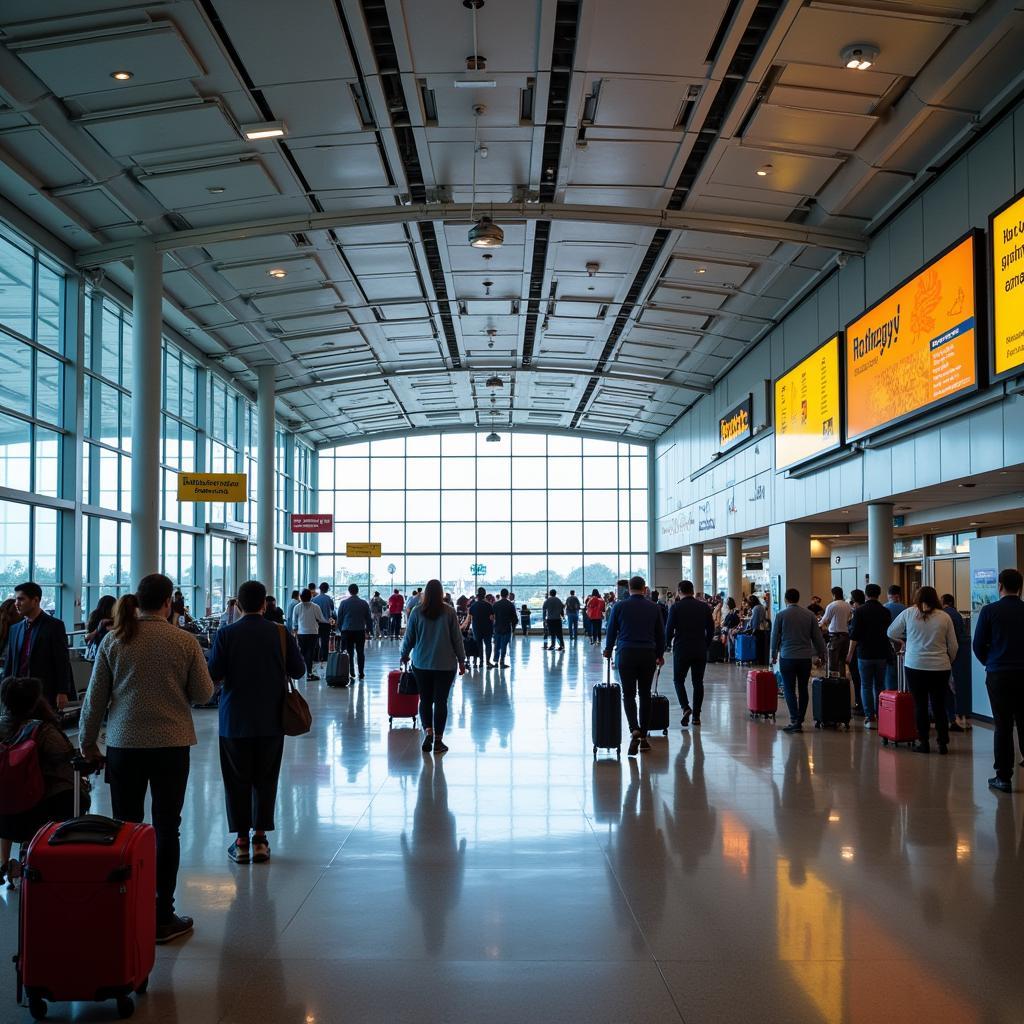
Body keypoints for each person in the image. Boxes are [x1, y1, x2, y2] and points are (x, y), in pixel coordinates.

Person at [79, 573, 214, 944]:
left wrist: (88, 742)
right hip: (171, 746)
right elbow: (203, 694)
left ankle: (128, 906)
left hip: (125, 746)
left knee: (126, 827)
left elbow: (95, 699)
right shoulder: (183, 641)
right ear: (169, 602)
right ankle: (163, 914)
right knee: (167, 828)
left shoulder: (115, 639)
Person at [207, 580, 306, 865]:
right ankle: (260, 839)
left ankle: (240, 842)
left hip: (234, 718)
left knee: (236, 779)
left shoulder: (226, 634)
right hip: (271, 718)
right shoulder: (280, 632)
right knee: (266, 778)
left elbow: (214, 673)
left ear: (237, 605)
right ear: (264, 604)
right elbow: (298, 670)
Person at [0, 675, 90, 886]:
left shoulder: (2, 726)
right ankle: (49, 859)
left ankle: (5, 863)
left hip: (6, 816)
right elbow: (67, 755)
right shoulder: (42, 730)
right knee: (76, 795)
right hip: (36, 810)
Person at [887, 586, 957, 755]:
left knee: (920, 705)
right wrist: (948, 660)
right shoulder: (944, 617)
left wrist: (904, 641)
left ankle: (924, 742)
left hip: (915, 665)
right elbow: (953, 645)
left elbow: (890, 632)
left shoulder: (909, 613)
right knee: (939, 705)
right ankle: (942, 743)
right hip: (940, 666)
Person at [972, 568, 1024, 793]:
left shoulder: (990, 610)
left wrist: (990, 662)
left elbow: (978, 644)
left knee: (1002, 725)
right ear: (1020, 587)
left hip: (999, 673)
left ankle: (1003, 777)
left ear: (1000, 586)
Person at [400, 579, 466, 754]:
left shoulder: (416, 611)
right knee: (441, 701)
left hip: (421, 664)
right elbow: (457, 639)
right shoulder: (449, 612)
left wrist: (404, 655)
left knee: (425, 699)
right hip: (445, 665)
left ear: (426, 593)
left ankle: (428, 731)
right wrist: (462, 660)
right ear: (441, 593)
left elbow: (409, 637)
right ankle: (438, 741)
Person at [604, 576, 665, 757]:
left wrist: (608, 649)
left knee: (628, 694)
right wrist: (660, 655)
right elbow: (660, 634)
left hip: (626, 653)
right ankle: (644, 736)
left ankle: (634, 729)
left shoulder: (619, 606)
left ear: (628, 589)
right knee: (645, 694)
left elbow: (611, 630)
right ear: (644, 589)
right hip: (648, 654)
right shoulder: (654, 607)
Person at [5, 582, 73, 713]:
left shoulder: (54, 626)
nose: (16, 604)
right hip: (18, 692)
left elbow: (62, 661)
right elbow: (10, 663)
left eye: (21, 599)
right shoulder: (15, 629)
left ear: (35, 600)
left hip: (43, 693)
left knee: (42, 730)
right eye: (16, 599)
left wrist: (62, 691)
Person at [770, 588, 826, 733]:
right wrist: (822, 654)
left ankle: (794, 719)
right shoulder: (810, 615)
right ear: (798, 598)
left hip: (787, 657)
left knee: (789, 688)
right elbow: (817, 637)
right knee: (803, 689)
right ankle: (800, 719)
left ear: (785, 599)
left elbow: (775, 636)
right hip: (804, 658)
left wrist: (773, 654)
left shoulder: (781, 615)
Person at [665, 580, 714, 728]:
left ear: (679, 591)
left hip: (682, 648)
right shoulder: (704, 607)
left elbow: (669, 629)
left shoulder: (676, 607)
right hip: (699, 648)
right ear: (692, 591)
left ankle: (686, 707)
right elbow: (711, 629)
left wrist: (667, 644)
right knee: (698, 682)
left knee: (678, 680)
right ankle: (697, 717)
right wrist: (706, 644)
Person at [847, 583, 891, 729]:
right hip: (881, 653)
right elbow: (889, 633)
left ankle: (870, 717)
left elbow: (854, 635)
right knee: (880, 685)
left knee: (865, 685)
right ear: (879, 595)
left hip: (864, 654)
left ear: (866, 595)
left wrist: (850, 654)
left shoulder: (859, 612)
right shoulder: (885, 612)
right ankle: (881, 715)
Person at [941, 594, 971, 732]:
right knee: (960, 686)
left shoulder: (944, 615)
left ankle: (953, 718)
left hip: (951, 656)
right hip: (962, 655)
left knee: (950, 688)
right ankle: (963, 717)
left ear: (943, 602)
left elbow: (949, 639)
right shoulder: (957, 614)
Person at [336, 583, 373, 681]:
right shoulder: (364, 603)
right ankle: (361, 672)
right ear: (358, 591)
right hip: (359, 630)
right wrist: (369, 630)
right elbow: (368, 618)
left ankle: (351, 670)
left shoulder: (343, 603)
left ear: (349, 591)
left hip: (347, 631)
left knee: (349, 652)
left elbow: (339, 618)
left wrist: (341, 629)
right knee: (360, 652)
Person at [290, 588, 326, 681]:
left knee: (303, 652)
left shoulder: (297, 607)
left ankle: (303, 672)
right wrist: (328, 622)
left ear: (301, 597)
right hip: (313, 632)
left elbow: (294, 622)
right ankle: (309, 674)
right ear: (311, 597)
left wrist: (295, 631)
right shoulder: (315, 607)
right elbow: (321, 619)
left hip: (301, 633)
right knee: (310, 652)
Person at [819, 586, 853, 679]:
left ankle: (833, 683)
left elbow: (825, 621)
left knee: (833, 662)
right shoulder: (848, 605)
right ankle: (842, 681)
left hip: (835, 636)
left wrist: (819, 623)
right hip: (846, 636)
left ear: (834, 595)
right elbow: (850, 619)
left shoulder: (832, 605)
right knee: (842, 661)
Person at [467, 588, 495, 667]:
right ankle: (488, 662)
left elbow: (470, 618)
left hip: (477, 628)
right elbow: (492, 618)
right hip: (487, 628)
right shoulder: (489, 605)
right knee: (488, 645)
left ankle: (481, 662)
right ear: (484, 595)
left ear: (477, 596)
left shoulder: (473, 606)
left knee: (479, 645)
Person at [738, 593, 768, 665]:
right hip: (762, 630)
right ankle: (762, 661)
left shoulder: (756, 608)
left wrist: (751, 630)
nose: (747, 604)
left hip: (758, 631)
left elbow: (755, 621)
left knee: (758, 647)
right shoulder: (761, 607)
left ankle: (759, 661)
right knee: (761, 647)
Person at [492, 589, 518, 668]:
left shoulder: (496, 604)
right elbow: (514, 618)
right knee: (504, 646)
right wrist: (514, 625)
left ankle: (495, 662)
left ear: (500, 594)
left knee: (497, 645)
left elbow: (492, 617)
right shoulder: (510, 605)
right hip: (506, 628)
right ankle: (502, 661)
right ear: (507, 595)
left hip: (497, 627)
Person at [312, 583, 335, 665]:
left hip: (316, 623)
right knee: (325, 641)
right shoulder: (329, 599)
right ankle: (324, 657)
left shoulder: (314, 599)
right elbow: (332, 610)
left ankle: (316, 657)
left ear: (320, 588)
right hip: (326, 623)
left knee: (316, 641)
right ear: (327, 589)